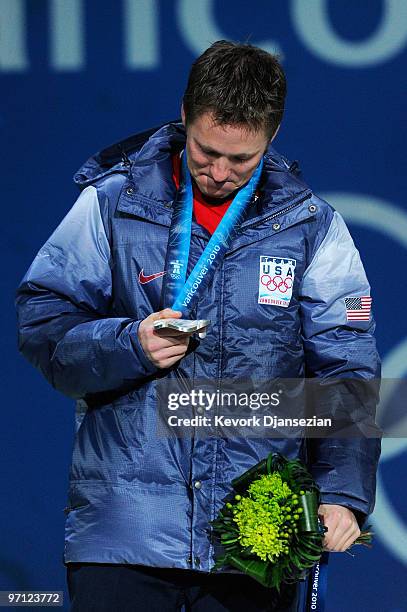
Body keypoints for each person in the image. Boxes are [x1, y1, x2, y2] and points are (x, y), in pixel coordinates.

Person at [16, 41, 380, 611]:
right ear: (184, 114)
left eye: (242, 160)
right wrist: (126, 344)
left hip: (259, 532)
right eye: (207, 151)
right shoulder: (111, 204)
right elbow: (42, 321)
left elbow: (348, 369)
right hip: (124, 529)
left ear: (273, 132)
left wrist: (340, 492)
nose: (219, 173)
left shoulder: (313, 227)